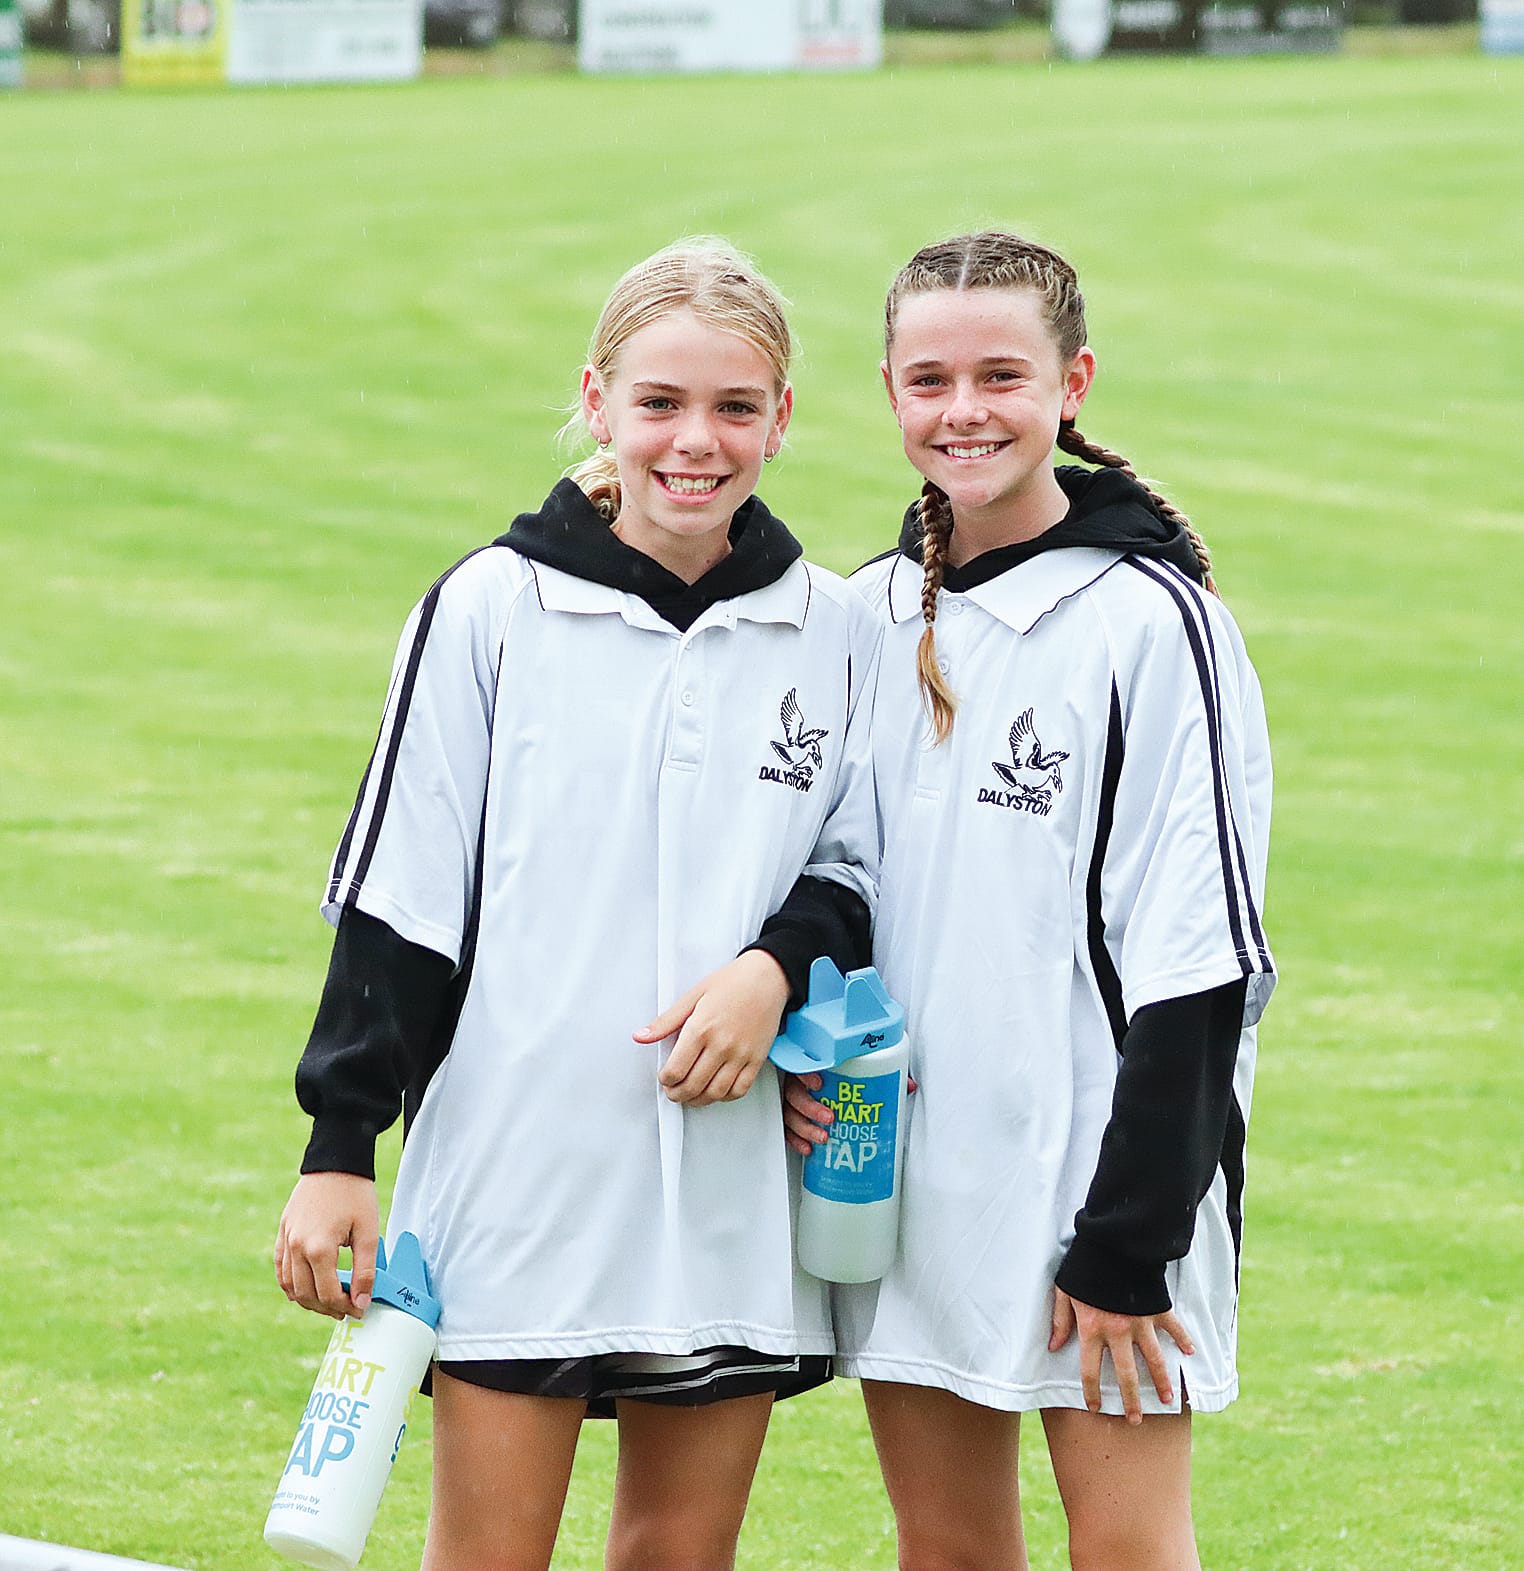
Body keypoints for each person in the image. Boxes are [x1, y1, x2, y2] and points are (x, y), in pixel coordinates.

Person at [274, 239, 880, 1571]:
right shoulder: (490, 608)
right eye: (660, 403)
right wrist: (339, 1145)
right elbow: (402, 898)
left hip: (726, 1186)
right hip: (518, 1170)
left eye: (734, 408)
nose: (695, 442)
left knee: (679, 1556)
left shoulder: (835, 627)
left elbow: (856, 868)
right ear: (597, 399)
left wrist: (772, 972)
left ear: (782, 418)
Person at [784, 231, 1275, 1571]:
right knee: (944, 1552)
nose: (965, 411)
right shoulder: (869, 614)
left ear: (1073, 385)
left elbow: (1201, 958)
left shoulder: (1154, 623)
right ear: (888, 392)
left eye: (1002, 374)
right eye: (929, 379)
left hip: (1105, 1187)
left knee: (1126, 1552)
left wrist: (1130, 1241)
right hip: (909, 1181)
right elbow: (836, 889)